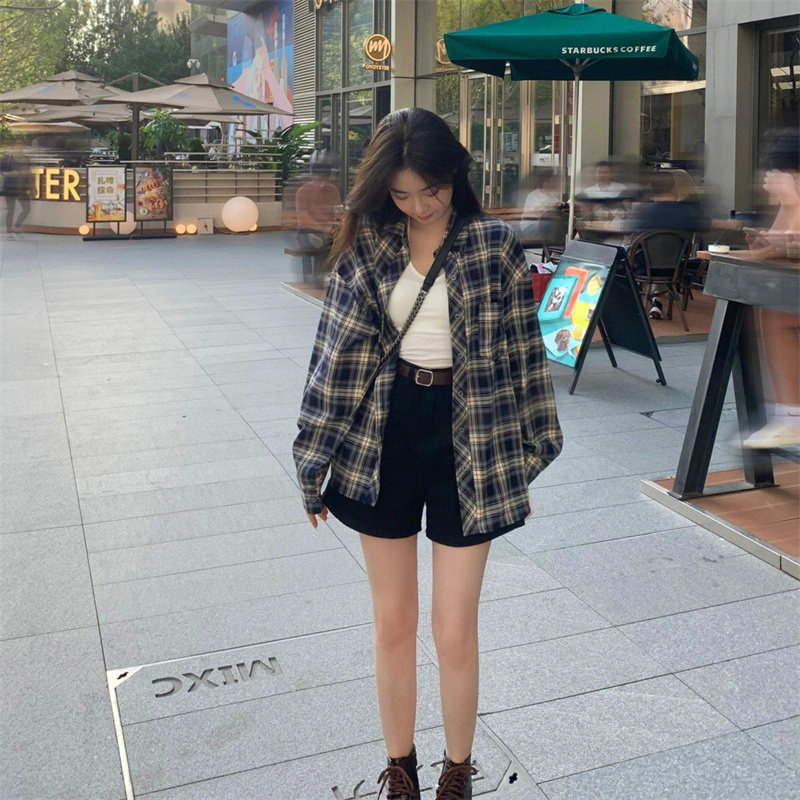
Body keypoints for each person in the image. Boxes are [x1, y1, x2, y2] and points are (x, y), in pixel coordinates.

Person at [293, 108, 563, 800]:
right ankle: (401, 767)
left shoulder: (493, 245)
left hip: (468, 435)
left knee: (453, 624)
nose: (418, 206)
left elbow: (523, 357)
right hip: (383, 435)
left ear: (455, 176)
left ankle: (457, 771)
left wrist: (527, 453)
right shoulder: (368, 246)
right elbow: (335, 359)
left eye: (431, 191)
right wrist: (312, 462)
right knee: (393, 620)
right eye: (403, 194)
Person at [741, 128, 800, 449]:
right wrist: (766, 242)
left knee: (778, 317)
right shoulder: (790, 201)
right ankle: (790, 415)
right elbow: (782, 243)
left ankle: (792, 417)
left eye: (779, 170)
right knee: (771, 314)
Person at [0, 141, 33, 238]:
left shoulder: (26, 159)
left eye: (21, 147)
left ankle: (16, 227)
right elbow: (1, 171)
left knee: (26, 209)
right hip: (9, 187)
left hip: (21, 188)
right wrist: (10, 174)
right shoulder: (8, 159)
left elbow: (29, 173)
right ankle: (9, 231)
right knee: (11, 210)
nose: (19, 149)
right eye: (17, 147)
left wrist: (32, 186)